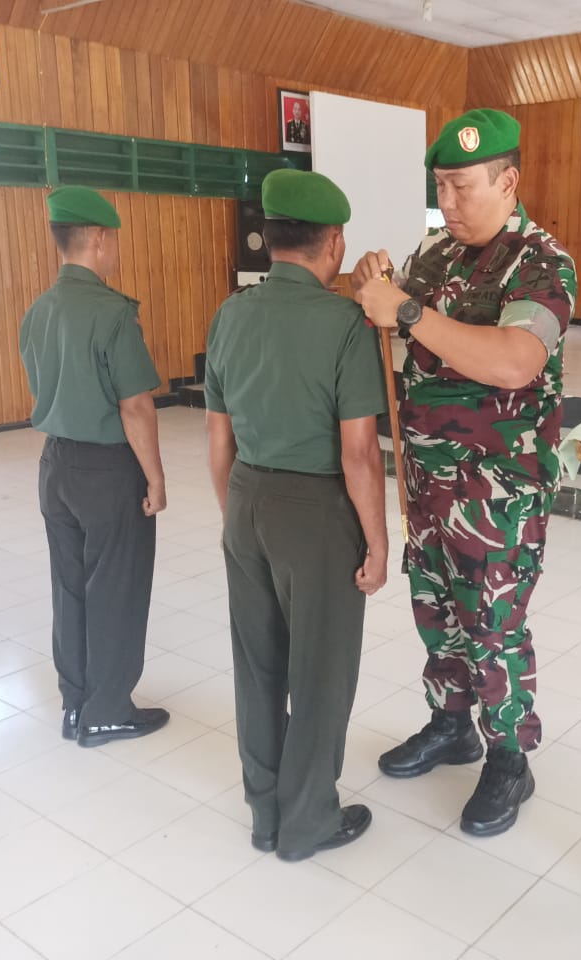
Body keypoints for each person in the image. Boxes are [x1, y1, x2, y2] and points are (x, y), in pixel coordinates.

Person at [353, 108, 577, 837]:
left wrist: (407, 311)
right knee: (436, 609)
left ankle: (510, 756)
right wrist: (371, 284)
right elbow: (386, 310)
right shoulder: (436, 252)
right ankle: (452, 724)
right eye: (440, 188)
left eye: (462, 187)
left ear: (508, 182)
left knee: (494, 623)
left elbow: (514, 361)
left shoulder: (541, 262)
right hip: (428, 481)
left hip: (498, 490)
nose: (447, 203)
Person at [205, 168, 387, 861]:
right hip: (316, 514)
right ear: (333, 242)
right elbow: (359, 453)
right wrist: (377, 542)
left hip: (245, 497)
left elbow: (218, 436)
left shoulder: (231, 313)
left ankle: (264, 811)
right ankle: (307, 821)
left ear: (271, 236)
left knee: (257, 665)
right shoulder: (344, 324)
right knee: (320, 673)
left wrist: (237, 516)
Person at [19, 186, 169, 748]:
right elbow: (135, 406)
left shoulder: (39, 309)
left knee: (71, 588)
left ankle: (76, 702)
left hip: (55, 464)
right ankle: (107, 711)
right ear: (101, 239)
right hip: (107, 470)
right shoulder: (112, 312)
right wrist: (155, 476)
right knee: (116, 588)